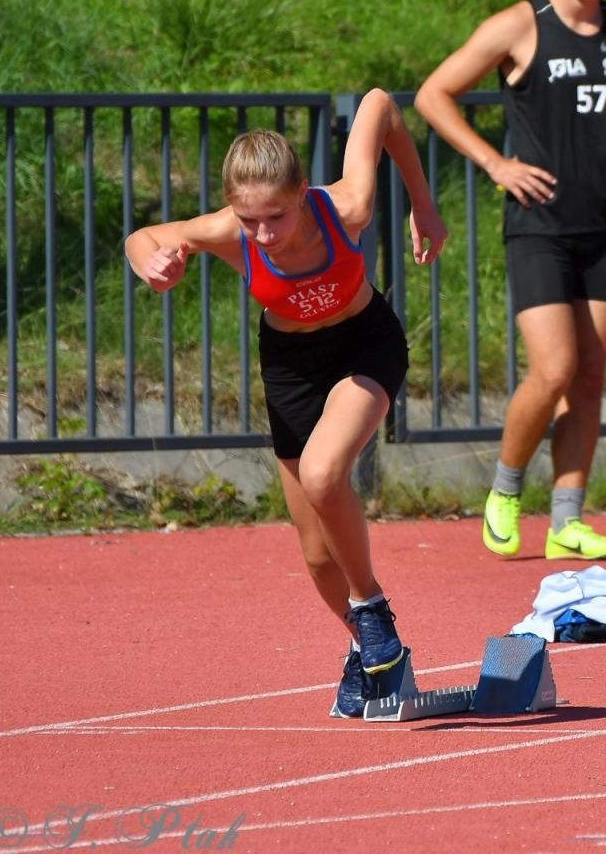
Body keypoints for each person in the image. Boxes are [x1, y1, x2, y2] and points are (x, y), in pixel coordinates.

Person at [124, 90, 448, 719]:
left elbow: (380, 105)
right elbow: (144, 237)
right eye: (250, 221)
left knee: (325, 475)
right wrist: (152, 264)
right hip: (291, 367)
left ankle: (373, 612)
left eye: (276, 216)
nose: (264, 235)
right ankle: (371, 652)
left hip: (363, 345)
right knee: (318, 554)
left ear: (303, 192)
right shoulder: (229, 231)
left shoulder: (346, 206)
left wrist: (424, 204)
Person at [415, 0, 606, 562]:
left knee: (589, 376)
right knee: (553, 369)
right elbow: (433, 94)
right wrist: (496, 163)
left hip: (604, 224)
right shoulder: (521, 25)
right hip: (539, 226)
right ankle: (505, 490)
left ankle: (567, 522)